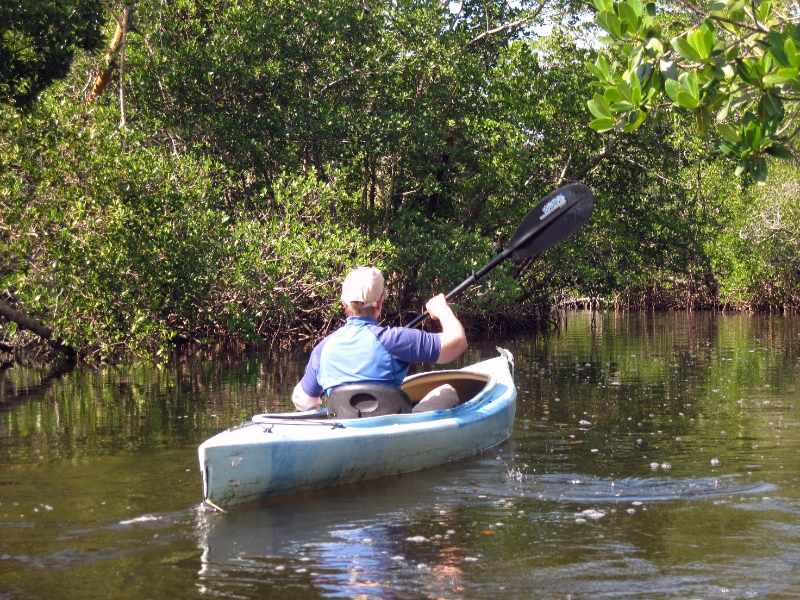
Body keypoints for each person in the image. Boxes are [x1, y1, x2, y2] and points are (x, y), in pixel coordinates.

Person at [292, 266, 468, 412]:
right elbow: (458, 342)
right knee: (447, 391)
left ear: (344, 303)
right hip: (395, 430)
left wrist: (314, 398)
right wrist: (441, 308)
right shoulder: (396, 340)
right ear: (381, 301)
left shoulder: (323, 349)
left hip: (344, 428)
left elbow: (302, 400)